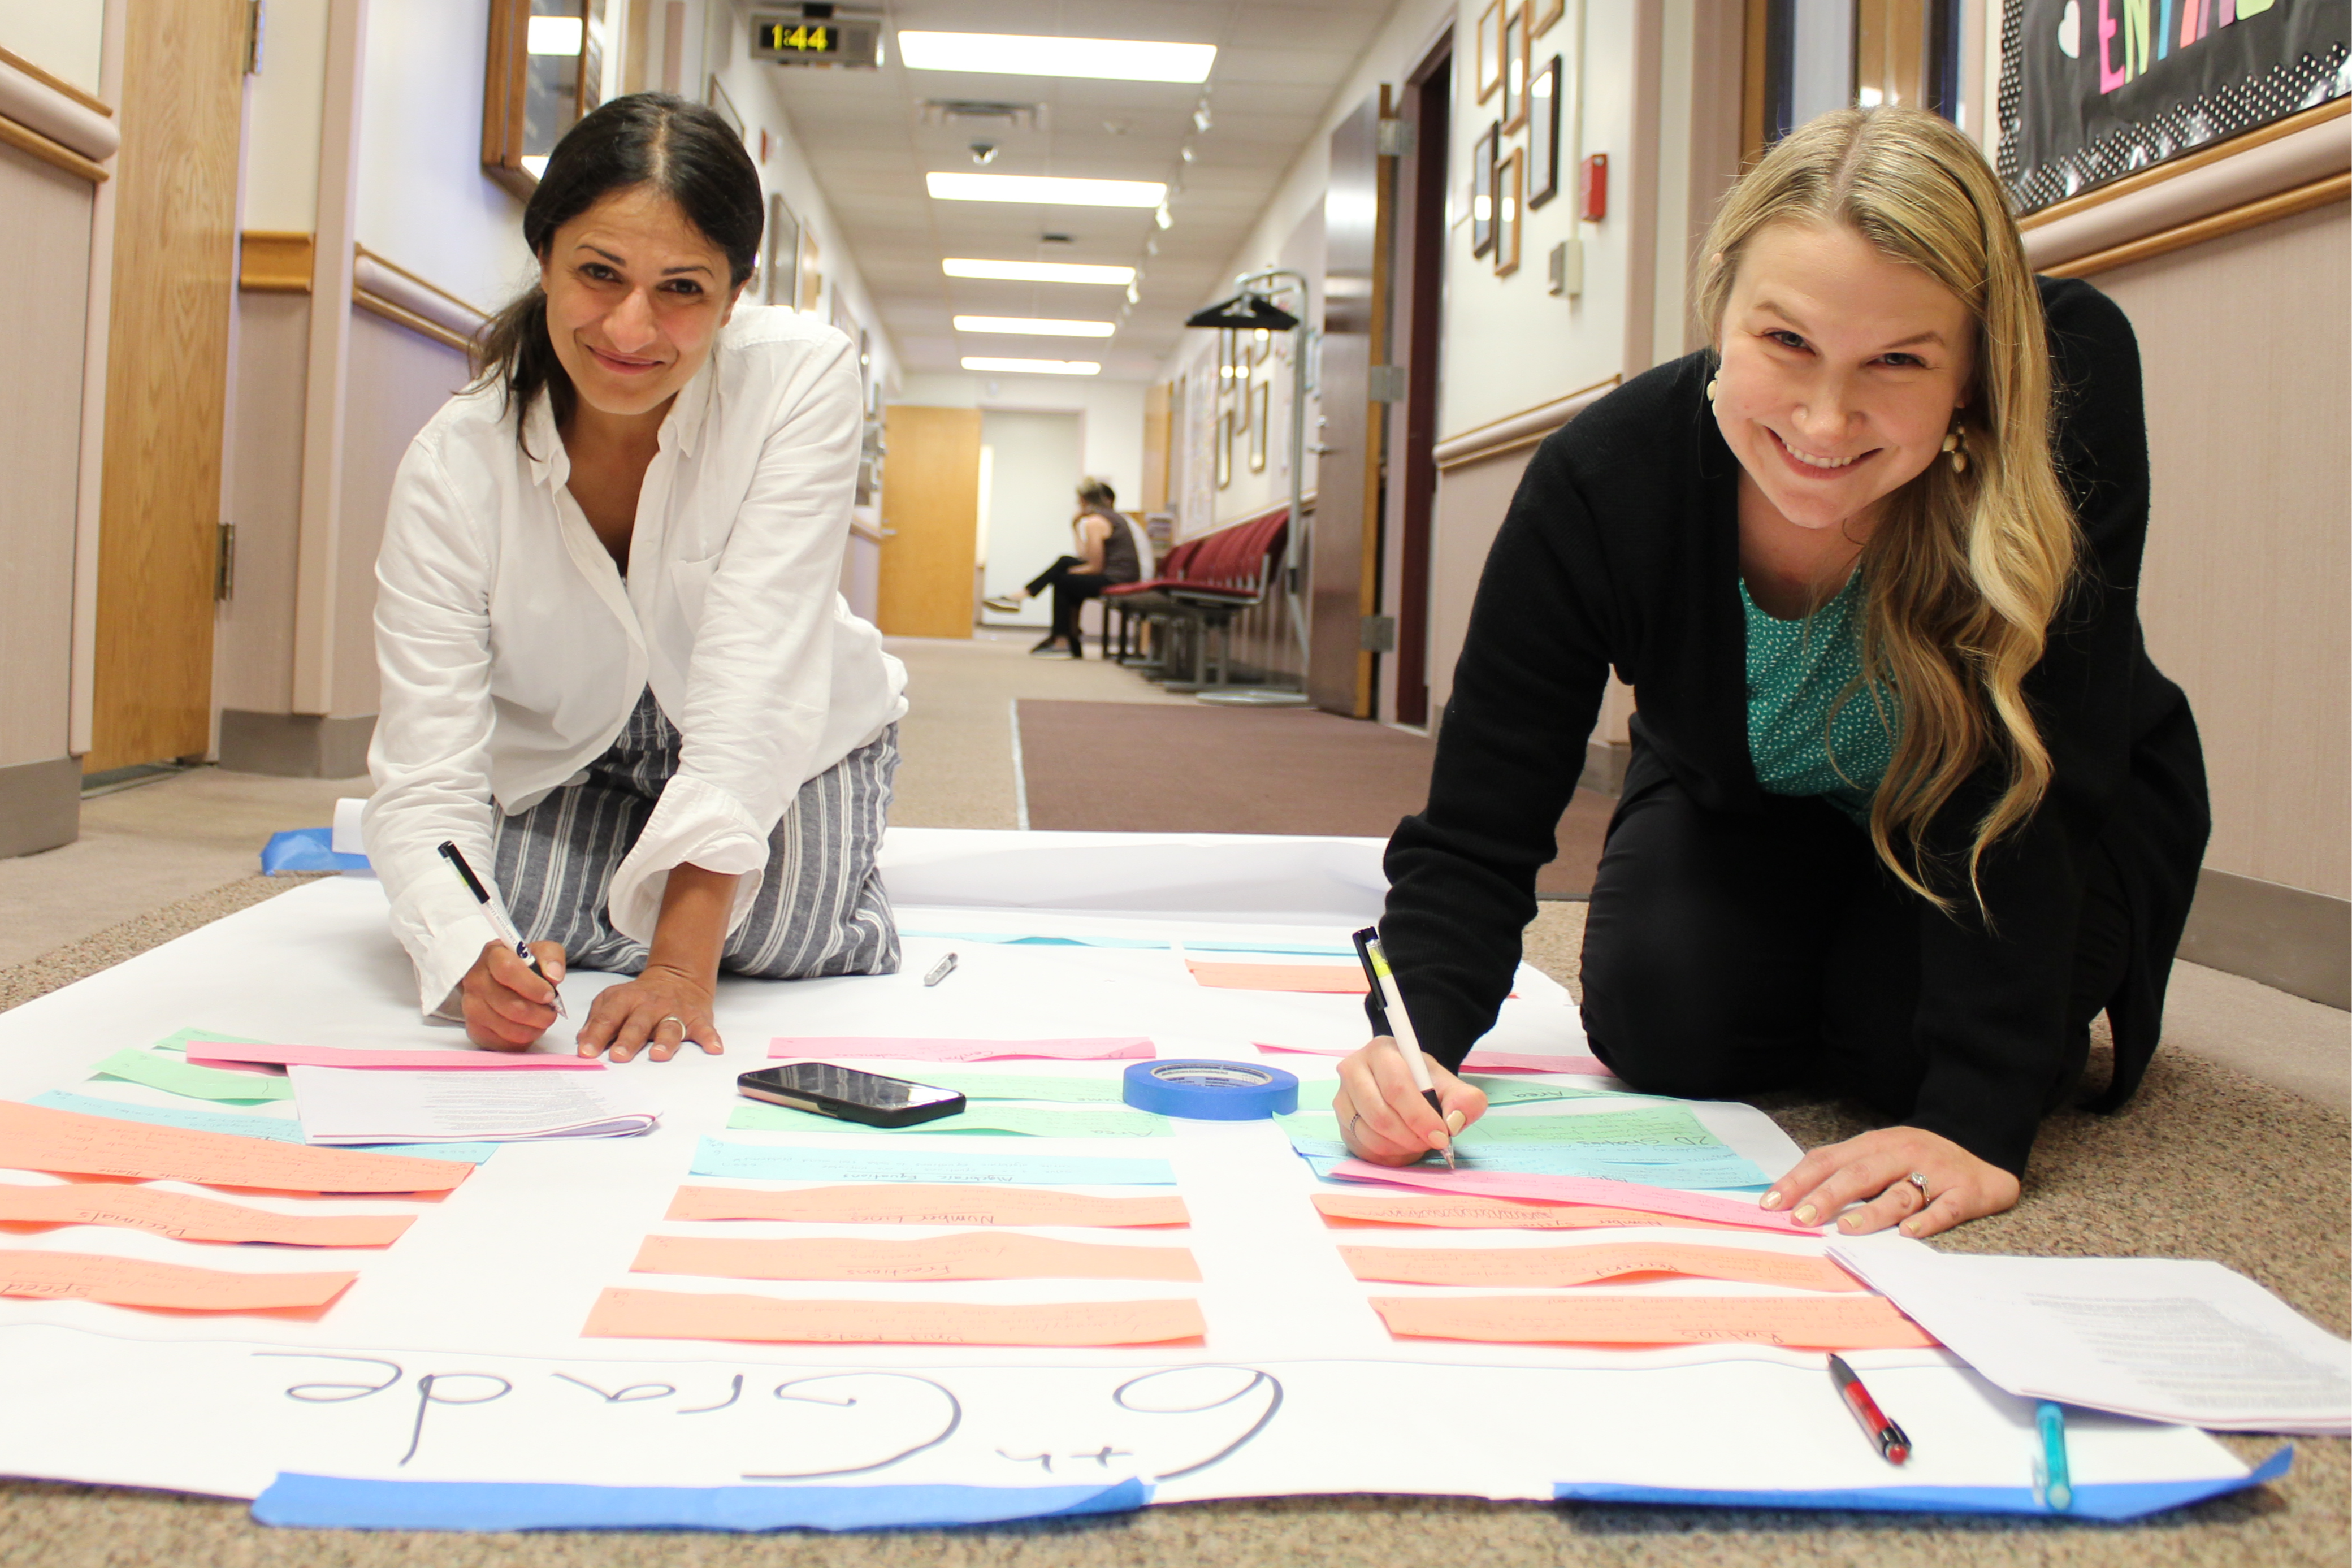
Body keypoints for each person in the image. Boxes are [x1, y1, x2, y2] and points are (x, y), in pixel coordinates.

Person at [1335, 107, 2207, 1240]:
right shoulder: (1606, 476)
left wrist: (1976, 1117)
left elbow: (2043, 773)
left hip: (2004, 809)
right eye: (1783, 342)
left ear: (1972, 371)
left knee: (1908, 1048)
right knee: (1666, 1021)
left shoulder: (2061, 397)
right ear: (1718, 313)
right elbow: (1479, 816)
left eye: (1896, 361)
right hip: (1752, 802)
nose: (1823, 419)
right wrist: (1415, 1043)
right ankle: (1839, 950)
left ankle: (1873, 976)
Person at [363, 93, 908, 1064]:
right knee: (491, 916)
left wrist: (678, 969)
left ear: (736, 292)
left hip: (783, 722)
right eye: (598, 272)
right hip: (573, 745)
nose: (629, 326)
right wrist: (470, 955)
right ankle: (633, 879)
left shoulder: (802, 379)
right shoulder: (454, 462)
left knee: (770, 937)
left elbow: (754, 687)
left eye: (682, 289)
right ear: (545, 256)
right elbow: (426, 766)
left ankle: (811, 886)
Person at [984, 478, 1142, 656]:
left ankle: (1060, 638)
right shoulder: (1108, 518)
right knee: (1065, 561)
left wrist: (1064, 574)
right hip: (1117, 575)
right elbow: (1084, 557)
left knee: (1063, 580)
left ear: (1083, 501)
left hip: (1116, 580)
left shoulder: (1096, 522)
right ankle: (1062, 633)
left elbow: (1095, 567)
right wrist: (1074, 527)